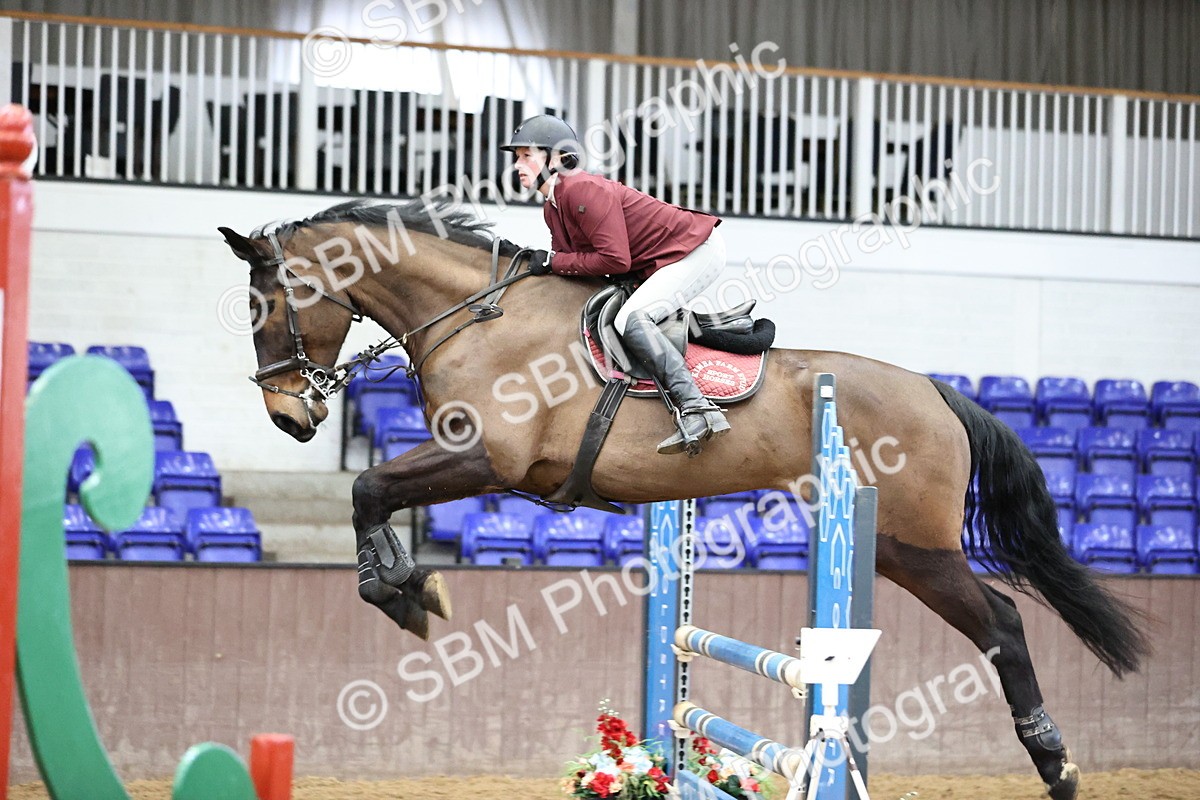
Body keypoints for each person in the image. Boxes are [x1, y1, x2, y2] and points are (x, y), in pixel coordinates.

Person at [500, 114, 730, 455]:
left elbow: (614, 260)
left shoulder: (581, 189)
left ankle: (697, 408)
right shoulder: (553, 207)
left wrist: (552, 261)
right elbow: (573, 267)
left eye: (526, 155)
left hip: (695, 250)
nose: (518, 164)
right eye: (517, 157)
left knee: (631, 320)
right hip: (659, 259)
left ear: (557, 158)